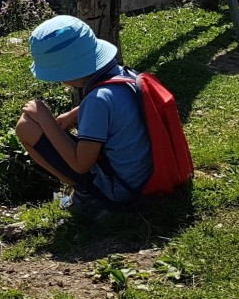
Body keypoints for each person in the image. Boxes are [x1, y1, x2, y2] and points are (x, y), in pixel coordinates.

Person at [14, 15, 153, 213]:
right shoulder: (125, 75)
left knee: (25, 127)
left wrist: (46, 120)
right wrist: (74, 114)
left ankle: (85, 196)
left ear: (65, 72)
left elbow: (81, 165)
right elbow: (117, 109)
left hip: (120, 192)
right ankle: (79, 193)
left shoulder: (96, 101)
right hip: (143, 176)